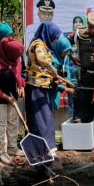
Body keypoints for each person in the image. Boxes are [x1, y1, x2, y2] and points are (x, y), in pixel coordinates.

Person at [0, 37, 25, 164]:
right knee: (0, 125)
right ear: (8, 53)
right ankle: (1, 152)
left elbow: (19, 72)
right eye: (16, 56)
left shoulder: (15, 59)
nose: (18, 59)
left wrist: (21, 86)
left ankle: (12, 147)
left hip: (11, 97)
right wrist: (6, 97)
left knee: (13, 123)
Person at [26, 22, 62, 155]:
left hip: (43, 85)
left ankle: (45, 146)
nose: (55, 40)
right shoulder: (38, 44)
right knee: (42, 117)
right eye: (55, 37)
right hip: (37, 86)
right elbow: (41, 59)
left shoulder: (42, 44)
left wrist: (53, 77)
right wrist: (52, 70)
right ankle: (46, 147)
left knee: (44, 116)